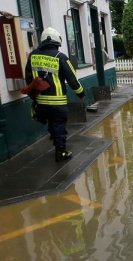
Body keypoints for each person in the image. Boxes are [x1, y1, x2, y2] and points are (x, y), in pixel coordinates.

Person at [24, 27, 85, 162]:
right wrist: (81, 93)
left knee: (51, 124)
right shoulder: (60, 57)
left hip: (40, 102)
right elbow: (72, 80)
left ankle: (55, 140)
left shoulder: (33, 55)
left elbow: (28, 78)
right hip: (57, 102)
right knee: (59, 125)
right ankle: (61, 151)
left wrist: (34, 95)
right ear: (57, 41)